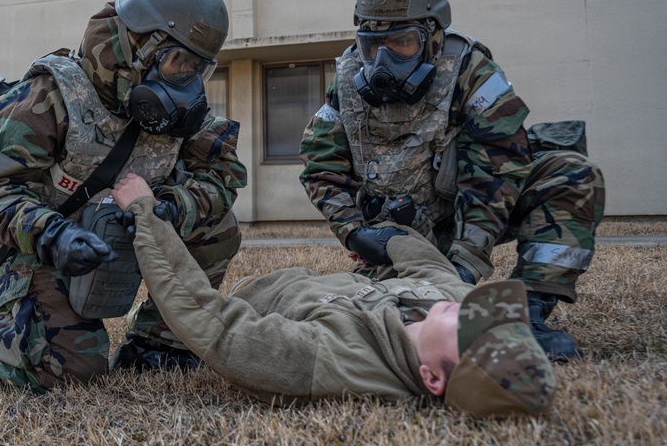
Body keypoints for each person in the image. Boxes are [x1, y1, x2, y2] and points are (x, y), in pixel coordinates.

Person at [0, 0, 246, 393]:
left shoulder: (176, 114)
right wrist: (54, 235)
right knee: (71, 371)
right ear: (140, 46)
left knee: (218, 226)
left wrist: (172, 208)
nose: (188, 83)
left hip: (117, 234)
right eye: (179, 64)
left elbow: (223, 174)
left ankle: (159, 346)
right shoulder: (50, 97)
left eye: (198, 70)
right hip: (41, 250)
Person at [299, 0, 605, 362]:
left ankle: (527, 316)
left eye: (402, 43)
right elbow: (321, 166)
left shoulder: (470, 70)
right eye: (372, 46)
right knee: (385, 321)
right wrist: (354, 232)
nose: (382, 62)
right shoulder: (348, 79)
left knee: (571, 174)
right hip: (401, 233)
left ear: (433, 35)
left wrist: (462, 265)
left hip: (470, 215)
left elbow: (497, 172)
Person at [108, 173, 556, 418]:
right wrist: (386, 237)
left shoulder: (326, 361)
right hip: (341, 282)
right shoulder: (442, 306)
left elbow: (210, 320)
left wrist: (145, 213)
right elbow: (433, 269)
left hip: (260, 291)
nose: (467, 307)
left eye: (470, 327)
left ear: (433, 379)